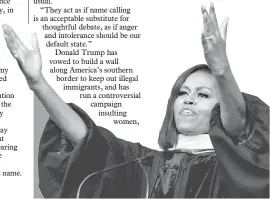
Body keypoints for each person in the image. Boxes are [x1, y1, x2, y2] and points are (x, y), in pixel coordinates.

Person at [2, 3, 269, 198]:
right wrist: (38, 84)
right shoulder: (143, 163)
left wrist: (221, 70)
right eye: (183, 93)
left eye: (203, 95)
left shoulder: (231, 165)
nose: (188, 100)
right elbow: (87, 140)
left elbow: (241, 130)